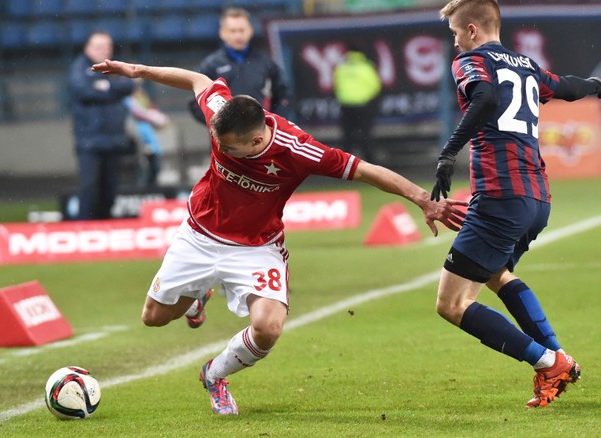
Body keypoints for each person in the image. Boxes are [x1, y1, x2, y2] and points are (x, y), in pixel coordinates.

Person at [92, 58, 467, 415]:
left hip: (257, 246)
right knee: (154, 318)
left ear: (256, 142)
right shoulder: (224, 114)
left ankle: (215, 375)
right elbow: (198, 81)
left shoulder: (299, 150)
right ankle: (196, 298)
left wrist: (421, 198)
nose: (218, 148)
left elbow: (365, 170)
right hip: (200, 235)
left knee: (268, 328)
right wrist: (137, 70)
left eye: (227, 147)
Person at [431, 0, 601, 408]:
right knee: (497, 274)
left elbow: (485, 98)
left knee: (451, 304)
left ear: (472, 30)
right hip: (536, 197)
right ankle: (561, 359)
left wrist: (449, 152)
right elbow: (569, 88)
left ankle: (548, 362)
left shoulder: (471, 61)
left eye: (455, 34)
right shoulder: (525, 64)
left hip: (500, 195)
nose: (454, 43)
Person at [69, 32, 134, 220]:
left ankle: (104, 228)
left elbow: (128, 86)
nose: (104, 50)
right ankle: (84, 228)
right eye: (99, 46)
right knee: (89, 188)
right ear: (87, 48)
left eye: (107, 46)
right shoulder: (79, 67)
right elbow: (84, 92)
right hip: (90, 140)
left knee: (110, 190)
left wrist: (103, 86)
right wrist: (112, 89)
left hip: (114, 139)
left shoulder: (114, 67)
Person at [187, 7, 291, 124]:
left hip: (259, 134)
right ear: (222, 33)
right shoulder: (211, 65)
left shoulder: (265, 62)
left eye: (241, 30)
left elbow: (282, 96)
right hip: (224, 137)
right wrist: (217, 123)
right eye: (233, 31)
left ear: (250, 31)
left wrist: (272, 122)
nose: (238, 35)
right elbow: (196, 101)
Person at [333, 44, 382, 162]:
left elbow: (336, 86)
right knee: (365, 135)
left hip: (346, 105)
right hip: (363, 105)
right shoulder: (366, 67)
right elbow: (375, 86)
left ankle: (343, 166)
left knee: (347, 137)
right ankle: (371, 164)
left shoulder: (341, 67)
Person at [125, 78, 171, 186]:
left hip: (147, 133)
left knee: (154, 160)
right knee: (142, 164)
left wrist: (157, 115)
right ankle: (143, 187)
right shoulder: (126, 96)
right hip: (136, 134)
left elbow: (149, 107)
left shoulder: (141, 94)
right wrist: (154, 117)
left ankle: (151, 185)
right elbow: (137, 112)